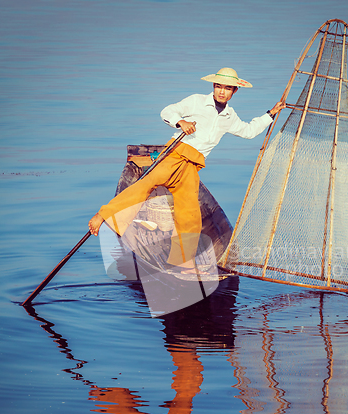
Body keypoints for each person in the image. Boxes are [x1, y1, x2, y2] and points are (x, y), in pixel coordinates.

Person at [88, 67, 285, 273]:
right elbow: (167, 111)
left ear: (235, 91)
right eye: (218, 86)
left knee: (189, 212)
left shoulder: (229, 116)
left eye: (227, 88)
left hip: (193, 165)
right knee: (144, 186)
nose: (221, 91)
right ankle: (103, 215)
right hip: (175, 153)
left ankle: (183, 261)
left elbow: (248, 131)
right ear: (213, 86)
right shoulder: (197, 101)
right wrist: (180, 122)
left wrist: (270, 114)